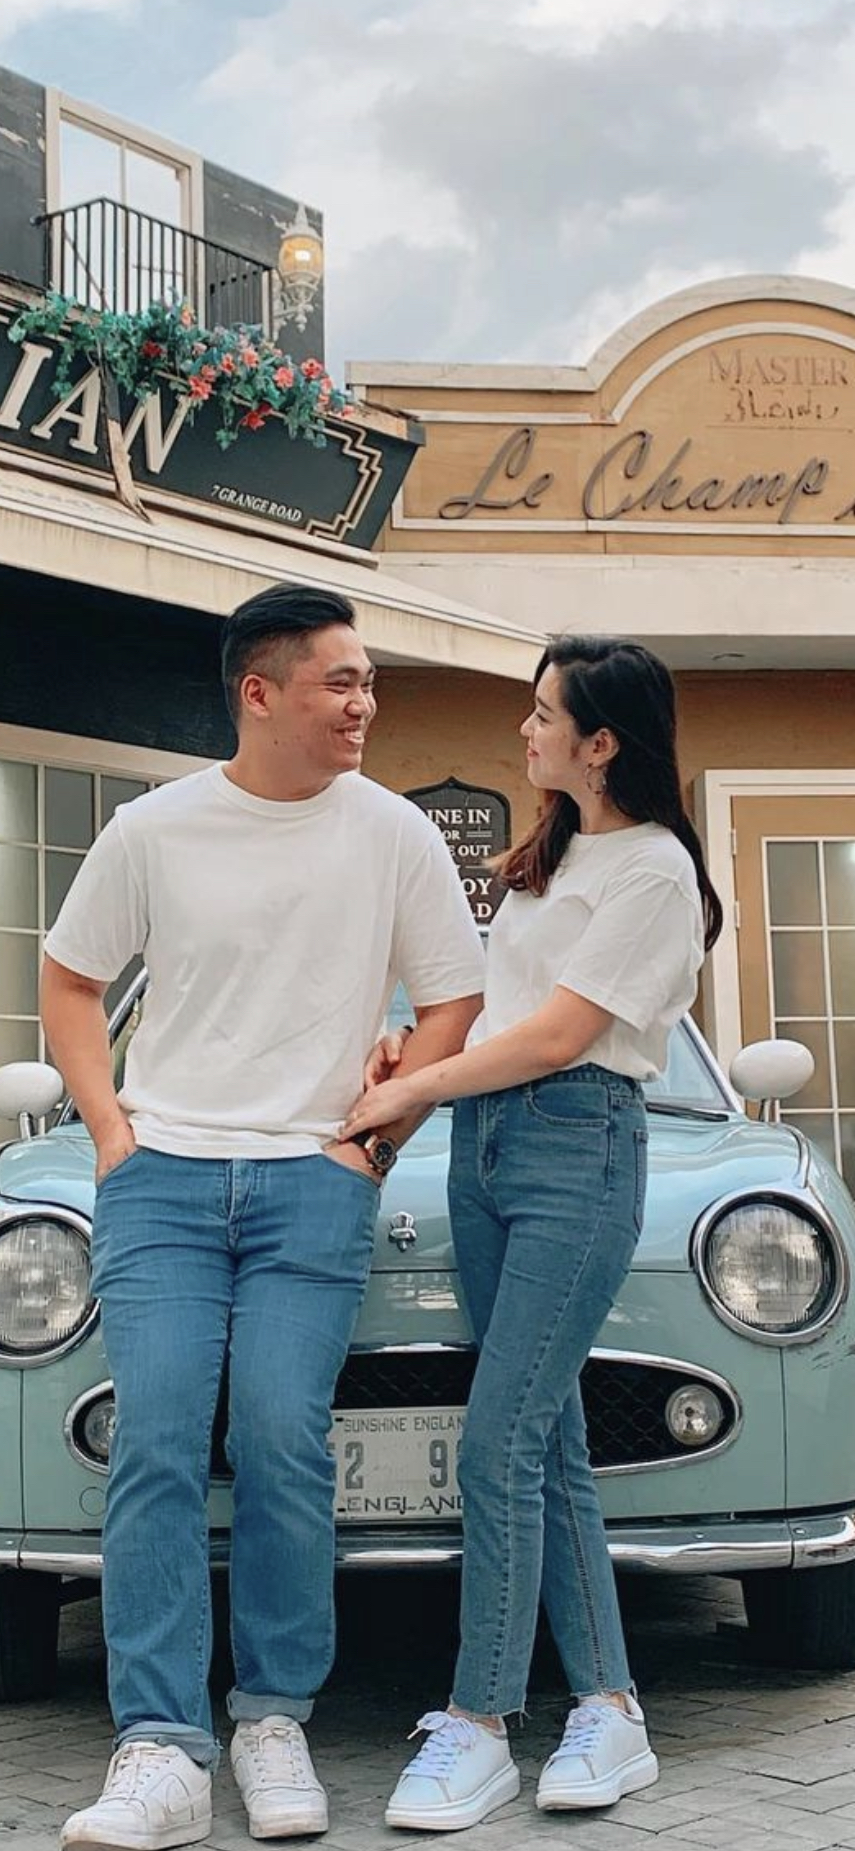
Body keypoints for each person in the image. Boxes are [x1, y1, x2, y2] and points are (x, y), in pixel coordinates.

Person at [42, 583, 484, 1851]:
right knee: (160, 1443)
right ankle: (161, 1752)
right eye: (341, 683)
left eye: (369, 685)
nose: (363, 705)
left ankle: (273, 1718)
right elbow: (70, 982)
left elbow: (454, 997)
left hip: (313, 1181)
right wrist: (114, 1132)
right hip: (165, 1180)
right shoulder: (156, 829)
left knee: (287, 1438)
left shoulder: (393, 832)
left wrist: (379, 1129)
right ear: (261, 691)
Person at [343, 634, 723, 1834]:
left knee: (497, 1442)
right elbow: (499, 1013)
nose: (523, 730)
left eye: (543, 713)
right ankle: (609, 1710)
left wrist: (414, 1094)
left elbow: (562, 1037)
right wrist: (407, 1064)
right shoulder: (551, 854)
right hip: (491, 1154)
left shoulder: (655, 871)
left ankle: (480, 1723)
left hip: (577, 1147)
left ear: (601, 741)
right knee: (546, 1442)